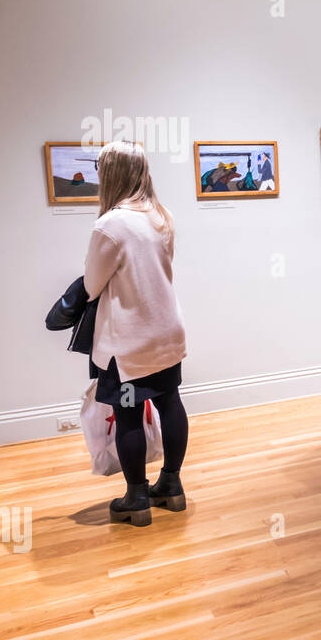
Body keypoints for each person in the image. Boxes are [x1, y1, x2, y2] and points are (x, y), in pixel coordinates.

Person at [83, 141, 190, 526]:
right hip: (166, 333)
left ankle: (137, 498)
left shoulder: (110, 225)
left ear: (110, 175)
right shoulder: (162, 216)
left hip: (127, 343)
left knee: (128, 416)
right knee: (170, 402)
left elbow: (92, 286)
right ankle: (172, 487)